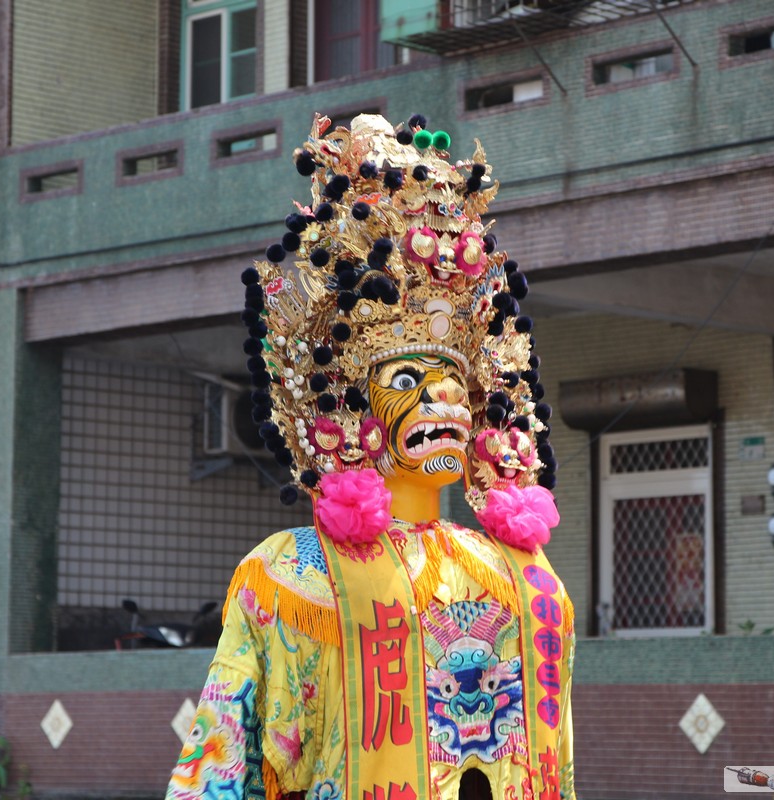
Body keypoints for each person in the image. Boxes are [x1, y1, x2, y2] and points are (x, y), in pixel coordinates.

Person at [166, 113, 573, 800]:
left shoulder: (520, 575)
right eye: (409, 380)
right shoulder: (292, 575)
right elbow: (225, 760)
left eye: (455, 382)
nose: (445, 400)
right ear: (348, 408)